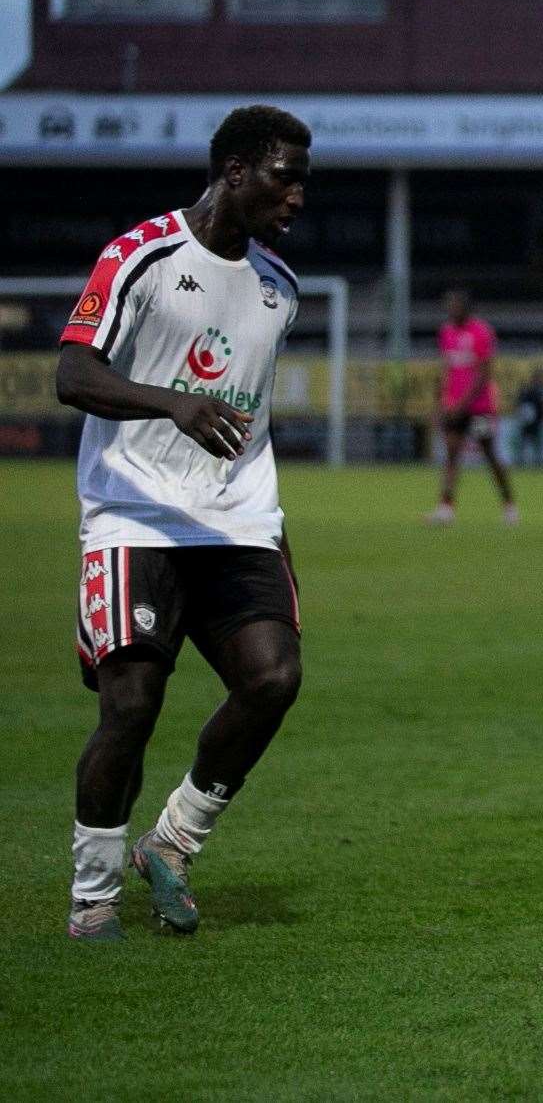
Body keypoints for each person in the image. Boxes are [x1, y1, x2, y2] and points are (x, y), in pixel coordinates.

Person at [55, 105, 311, 940]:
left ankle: (172, 840)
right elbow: (71, 372)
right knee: (131, 706)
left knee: (273, 678)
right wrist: (174, 405)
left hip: (237, 519)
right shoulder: (142, 256)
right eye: (284, 174)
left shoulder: (280, 288)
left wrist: (274, 531)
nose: (298, 195)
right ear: (234, 171)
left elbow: (256, 422)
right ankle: (94, 896)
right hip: (135, 514)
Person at [427, 288, 517, 526]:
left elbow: (483, 374)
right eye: (448, 306)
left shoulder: (481, 332)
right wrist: (440, 405)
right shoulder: (446, 332)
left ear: (466, 309)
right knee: (451, 454)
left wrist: (462, 404)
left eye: (454, 306)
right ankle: (446, 508)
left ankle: (509, 505)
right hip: (454, 407)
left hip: (479, 408)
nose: (450, 310)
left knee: (489, 455)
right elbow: (446, 370)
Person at [515, 367, 543, 467]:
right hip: (527, 420)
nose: (538, 380)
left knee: (536, 442)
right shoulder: (528, 390)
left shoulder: (541, 391)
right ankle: (521, 460)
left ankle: (538, 461)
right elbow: (521, 403)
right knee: (523, 441)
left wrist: (542, 417)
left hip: (536, 421)